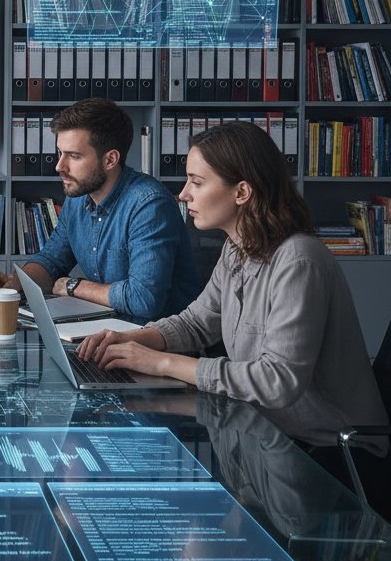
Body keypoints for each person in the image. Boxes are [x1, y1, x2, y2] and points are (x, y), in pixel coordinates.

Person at [77, 120, 388, 459]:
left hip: (333, 454)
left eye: (197, 182)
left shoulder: (299, 261)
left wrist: (162, 362)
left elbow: (277, 381)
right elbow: (196, 324)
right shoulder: (237, 249)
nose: (182, 194)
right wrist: (133, 340)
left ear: (241, 192)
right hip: (269, 438)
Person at [0, 97, 198, 323]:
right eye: (60, 153)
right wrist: (16, 283)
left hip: (153, 343)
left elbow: (144, 298)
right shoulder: (78, 198)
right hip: (105, 333)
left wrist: (74, 286)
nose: (59, 166)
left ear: (110, 159)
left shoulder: (149, 204)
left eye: (74, 156)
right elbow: (51, 260)